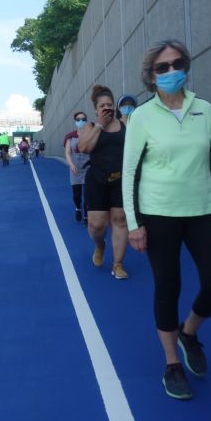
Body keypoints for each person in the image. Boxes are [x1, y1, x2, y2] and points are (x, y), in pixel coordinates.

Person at [122, 40, 211, 400]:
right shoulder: (142, 117)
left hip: (205, 209)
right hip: (159, 213)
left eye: (177, 63)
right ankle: (172, 363)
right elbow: (131, 172)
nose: (171, 72)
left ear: (187, 65)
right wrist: (135, 223)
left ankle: (190, 332)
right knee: (167, 286)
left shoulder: (204, 109)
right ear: (151, 77)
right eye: (162, 67)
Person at [78, 85, 129, 279]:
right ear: (96, 109)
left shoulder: (125, 123)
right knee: (97, 226)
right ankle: (100, 244)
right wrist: (100, 124)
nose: (107, 108)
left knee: (120, 220)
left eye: (109, 104)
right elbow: (83, 147)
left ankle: (118, 264)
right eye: (102, 106)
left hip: (120, 180)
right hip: (97, 180)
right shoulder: (90, 126)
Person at [64, 111, 91, 222]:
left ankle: (86, 215)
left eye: (83, 119)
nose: (81, 121)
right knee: (77, 194)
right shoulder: (70, 137)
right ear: (75, 121)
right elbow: (68, 153)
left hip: (88, 167)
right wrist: (71, 164)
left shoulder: (91, 135)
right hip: (75, 167)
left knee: (88, 193)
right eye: (78, 119)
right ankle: (78, 208)